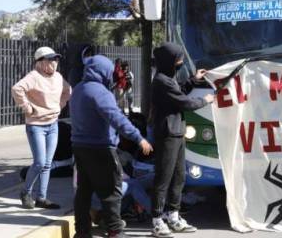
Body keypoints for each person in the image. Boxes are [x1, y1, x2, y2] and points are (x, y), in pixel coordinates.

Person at [70, 55, 153, 238]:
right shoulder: (100, 92)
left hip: (80, 147)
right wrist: (139, 138)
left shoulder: (78, 89)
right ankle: (115, 230)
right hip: (101, 149)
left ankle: (82, 232)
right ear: (103, 71)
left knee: (84, 191)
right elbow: (117, 119)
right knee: (111, 191)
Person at [150, 43, 215, 238]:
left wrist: (194, 80)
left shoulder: (169, 79)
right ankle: (157, 220)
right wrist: (206, 100)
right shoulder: (162, 81)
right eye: (178, 59)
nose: (181, 62)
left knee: (179, 176)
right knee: (163, 178)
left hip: (177, 132)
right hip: (167, 134)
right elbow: (184, 102)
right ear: (169, 61)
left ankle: (173, 216)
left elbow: (179, 92)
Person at [12, 46, 72, 210]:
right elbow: (17, 89)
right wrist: (26, 107)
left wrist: (61, 104)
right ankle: (26, 192)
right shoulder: (34, 77)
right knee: (39, 163)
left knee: (47, 164)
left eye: (56, 59)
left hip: (53, 124)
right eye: (50, 59)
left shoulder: (58, 77)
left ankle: (42, 198)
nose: (54, 62)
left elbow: (68, 90)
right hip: (36, 126)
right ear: (39, 62)